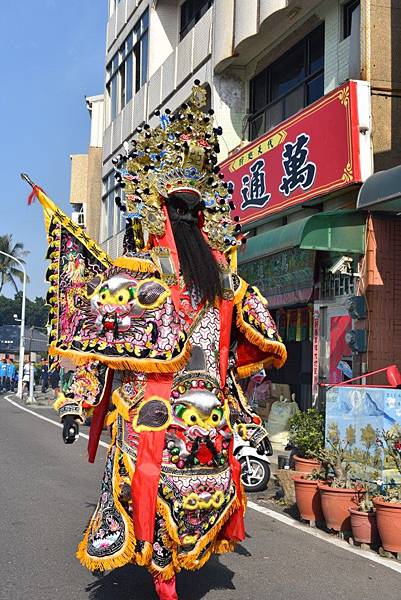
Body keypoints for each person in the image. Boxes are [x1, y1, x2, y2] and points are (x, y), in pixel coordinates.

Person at [29, 83, 287, 600]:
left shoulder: (148, 281)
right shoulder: (223, 284)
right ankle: (168, 581)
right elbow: (261, 347)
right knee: (172, 506)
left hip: (160, 419)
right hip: (201, 421)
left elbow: (100, 349)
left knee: (160, 506)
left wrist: (77, 406)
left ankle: (166, 580)